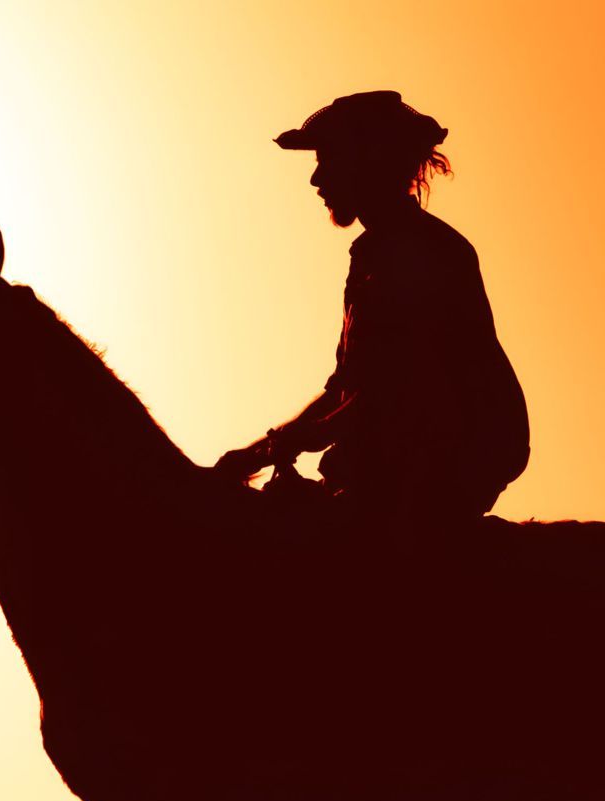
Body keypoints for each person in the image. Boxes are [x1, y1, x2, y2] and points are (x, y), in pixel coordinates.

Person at [217, 91, 529, 531]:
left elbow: (396, 388)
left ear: (367, 162)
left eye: (328, 161)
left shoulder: (422, 253)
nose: (316, 179)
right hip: (394, 462)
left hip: (435, 469)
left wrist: (290, 441)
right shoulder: (374, 254)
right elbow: (347, 390)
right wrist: (260, 451)